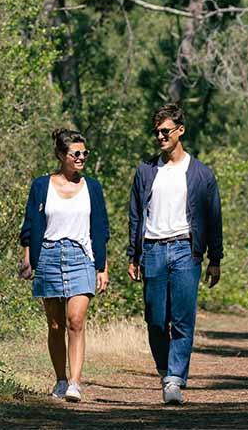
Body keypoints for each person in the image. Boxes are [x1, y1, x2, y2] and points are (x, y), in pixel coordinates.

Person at [127, 103, 223, 405]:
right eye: (156, 132)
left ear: (180, 131)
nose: (160, 136)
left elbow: (213, 217)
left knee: (182, 319)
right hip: (153, 250)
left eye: (165, 131)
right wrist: (133, 255)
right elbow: (134, 214)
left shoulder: (201, 174)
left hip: (186, 250)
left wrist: (215, 259)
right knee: (155, 319)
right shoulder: (146, 170)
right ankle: (164, 370)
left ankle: (174, 378)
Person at [19, 128, 109, 403]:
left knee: (76, 320)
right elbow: (31, 224)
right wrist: (27, 257)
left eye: (84, 153)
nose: (81, 157)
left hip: (81, 256)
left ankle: (75, 383)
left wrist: (103, 267)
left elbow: (101, 229)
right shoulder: (41, 186)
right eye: (76, 153)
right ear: (61, 155)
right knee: (56, 323)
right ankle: (60, 379)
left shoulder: (92, 187)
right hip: (48, 254)